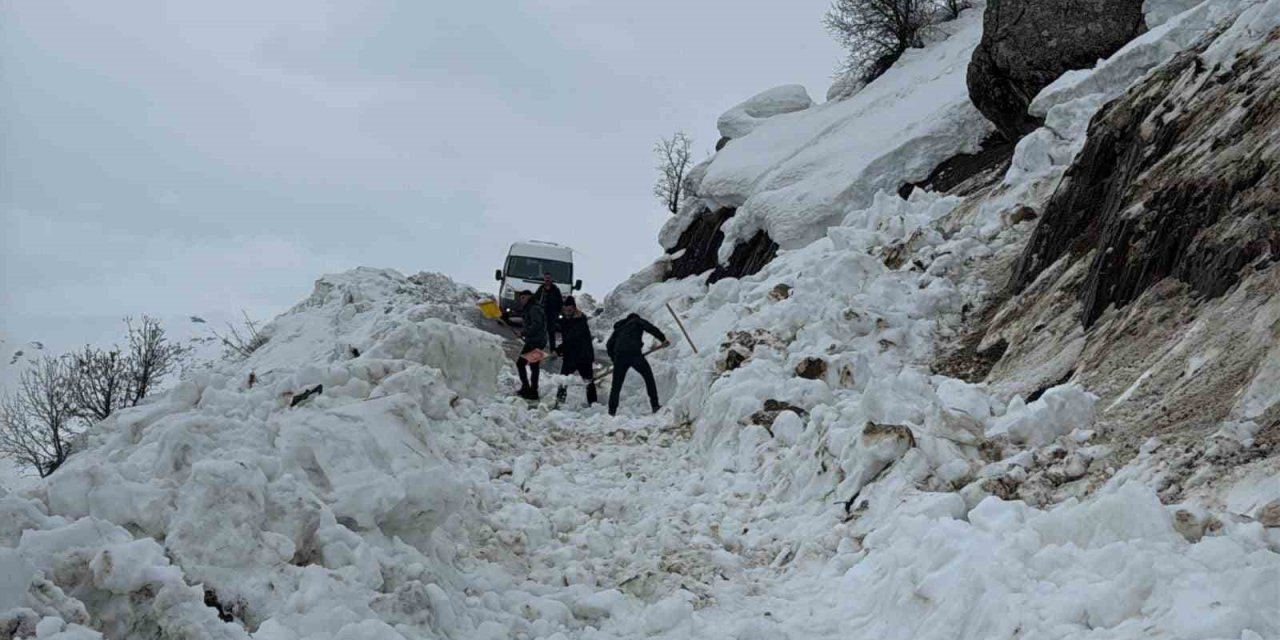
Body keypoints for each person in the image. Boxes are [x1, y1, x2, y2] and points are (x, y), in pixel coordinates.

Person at [605, 313, 670, 416]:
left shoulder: (619, 328)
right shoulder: (637, 321)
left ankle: (611, 412)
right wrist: (663, 339)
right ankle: (655, 405)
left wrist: (615, 359)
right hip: (634, 354)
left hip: (620, 356)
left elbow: (609, 345)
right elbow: (650, 328)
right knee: (648, 377)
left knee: (616, 386)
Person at [554, 297, 597, 408]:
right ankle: (559, 404)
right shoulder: (566, 319)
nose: (567, 313)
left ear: (574, 308)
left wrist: (558, 350)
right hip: (570, 356)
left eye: (569, 310)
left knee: (588, 381)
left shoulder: (580, 321)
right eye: (565, 310)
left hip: (583, 357)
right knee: (563, 380)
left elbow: (571, 339)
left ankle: (593, 405)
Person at [515, 290, 547, 400]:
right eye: (520, 298)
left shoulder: (534, 308)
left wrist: (523, 333)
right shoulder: (531, 307)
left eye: (523, 297)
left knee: (521, 363)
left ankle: (529, 389)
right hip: (537, 340)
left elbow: (537, 324)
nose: (521, 300)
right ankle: (532, 390)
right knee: (533, 365)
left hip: (536, 341)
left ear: (529, 297)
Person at [536, 273, 564, 352]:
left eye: (548, 278)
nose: (547, 279)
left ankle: (552, 350)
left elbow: (560, 302)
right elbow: (535, 298)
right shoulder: (541, 289)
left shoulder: (556, 290)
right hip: (542, 314)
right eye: (546, 278)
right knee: (540, 332)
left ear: (551, 279)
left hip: (552, 315)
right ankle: (538, 349)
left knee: (551, 332)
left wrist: (559, 313)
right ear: (544, 279)